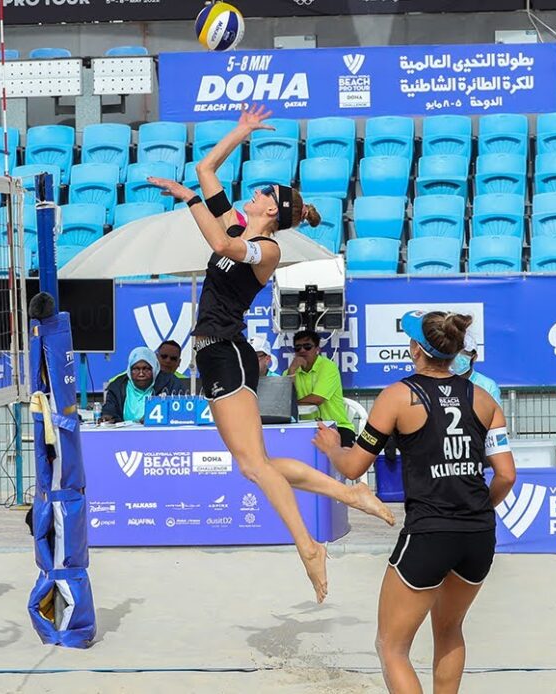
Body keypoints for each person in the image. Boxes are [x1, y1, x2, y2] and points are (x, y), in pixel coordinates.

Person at [147, 105, 394, 603]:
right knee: (256, 462)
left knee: (255, 466)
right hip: (216, 353)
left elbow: (217, 237)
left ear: (272, 211)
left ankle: (308, 547)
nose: (255, 193)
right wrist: (236, 135)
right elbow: (206, 170)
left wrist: (196, 203)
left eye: (263, 193)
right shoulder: (241, 229)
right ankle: (350, 494)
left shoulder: (268, 250)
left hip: (226, 354)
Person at [312, 310, 516, 694]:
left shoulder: (398, 396)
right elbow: (506, 475)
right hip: (478, 534)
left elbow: (355, 466)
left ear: (415, 349)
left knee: (391, 646)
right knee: (450, 630)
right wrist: (481, 510)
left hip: (429, 533)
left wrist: (332, 448)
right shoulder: (485, 399)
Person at [286, 329, 355, 448]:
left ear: (317, 349)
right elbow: (284, 397)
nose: (302, 350)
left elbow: (317, 399)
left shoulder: (328, 367)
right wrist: (292, 371)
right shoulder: (291, 371)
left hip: (335, 426)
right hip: (304, 428)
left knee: (342, 463)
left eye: (307, 346)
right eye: (298, 348)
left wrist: (292, 403)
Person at [100, 347, 185, 423]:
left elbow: (180, 411)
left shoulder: (170, 382)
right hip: (124, 436)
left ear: (154, 369)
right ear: (129, 370)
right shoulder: (117, 386)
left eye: (146, 369)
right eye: (136, 369)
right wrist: (108, 416)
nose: (141, 374)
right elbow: (109, 409)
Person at [451, 330, 502, 406]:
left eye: (464, 352)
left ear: (474, 357)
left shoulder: (488, 386)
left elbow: (496, 415)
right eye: (455, 351)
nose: (458, 355)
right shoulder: (442, 383)